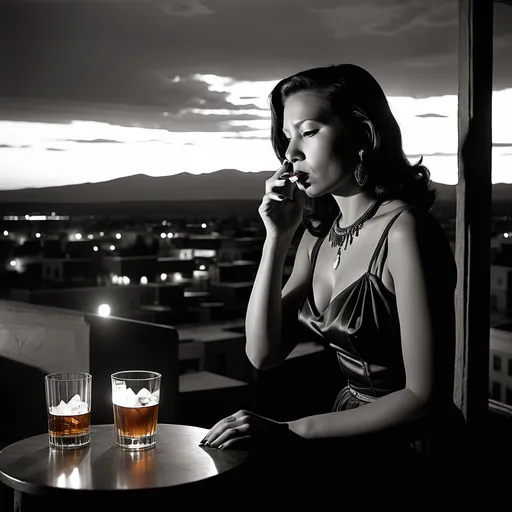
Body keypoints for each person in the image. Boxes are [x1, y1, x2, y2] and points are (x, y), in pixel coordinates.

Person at [200, 64, 467, 499]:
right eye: (287, 136)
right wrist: (277, 238)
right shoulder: (316, 237)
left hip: (411, 453)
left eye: (308, 132)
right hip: (341, 433)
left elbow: (424, 396)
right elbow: (262, 352)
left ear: (363, 132)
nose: (290, 154)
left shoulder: (404, 231)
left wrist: (290, 430)